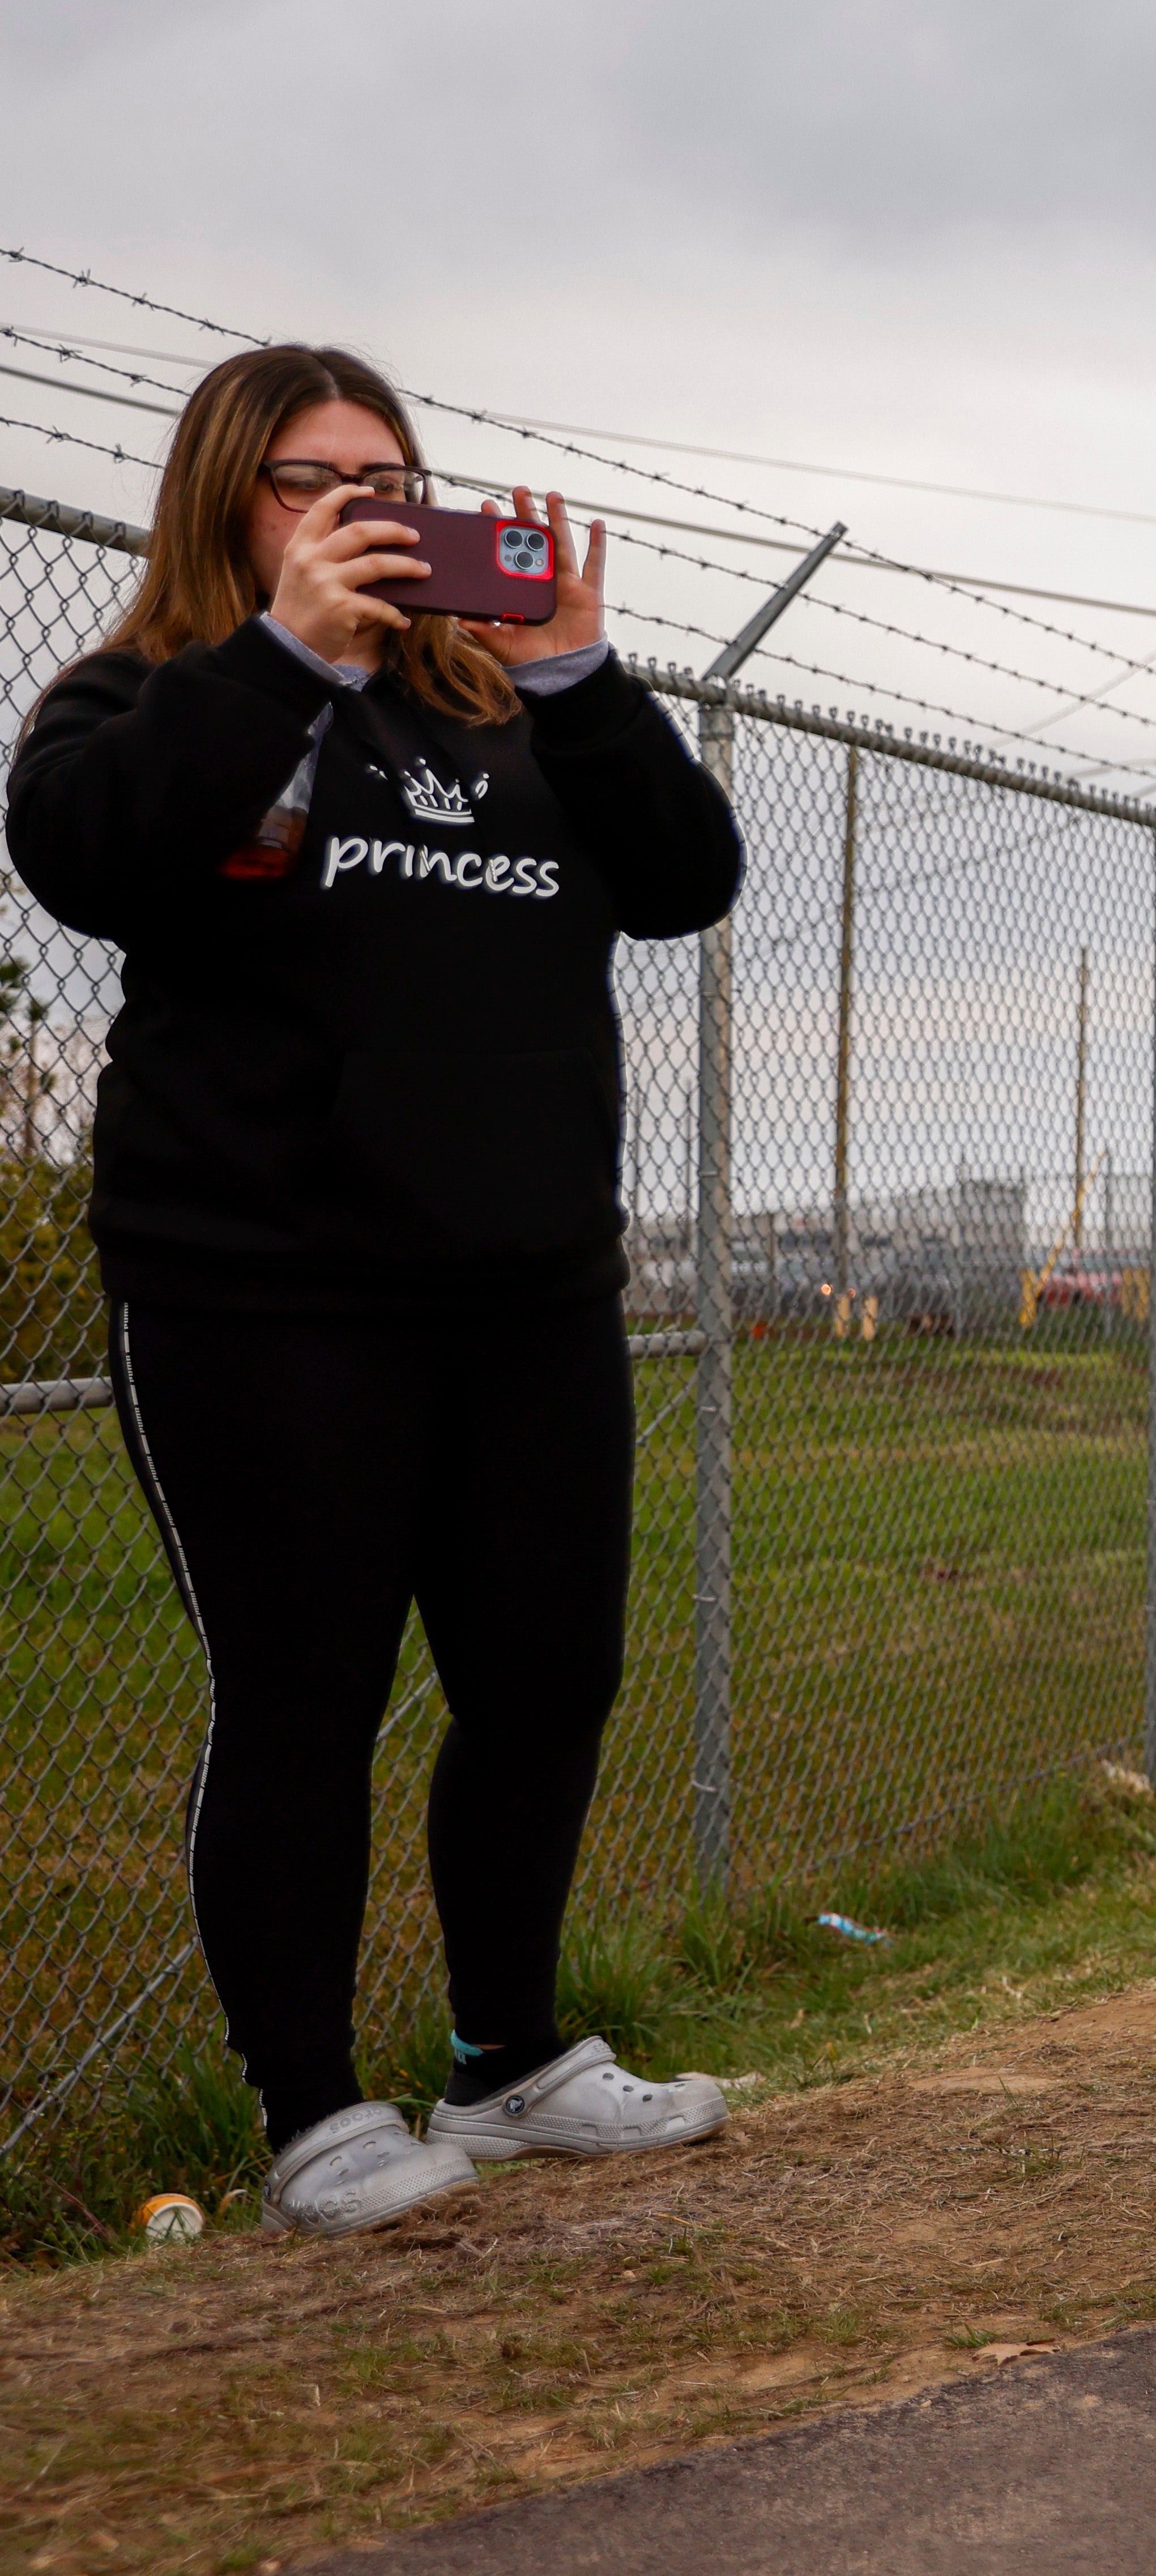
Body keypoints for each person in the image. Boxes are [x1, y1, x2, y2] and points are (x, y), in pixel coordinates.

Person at [7, 346, 744, 2237]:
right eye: (312, 481)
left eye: (392, 479)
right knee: (302, 1695)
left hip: (528, 1292)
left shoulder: (509, 710)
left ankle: (507, 2064)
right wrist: (291, 659)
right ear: (229, 504)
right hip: (262, 1297)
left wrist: (579, 672)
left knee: (546, 1679)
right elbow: (84, 858)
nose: (365, 509)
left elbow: (684, 878)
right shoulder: (148, 698)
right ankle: (313, 2110)